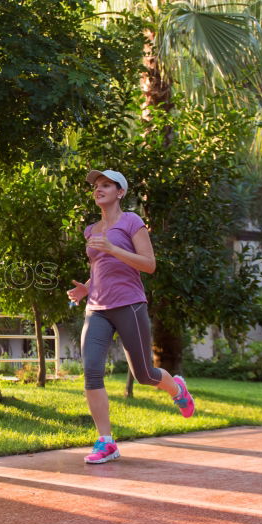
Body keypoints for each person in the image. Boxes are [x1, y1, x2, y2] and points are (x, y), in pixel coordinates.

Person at [66, 169, 195, 464]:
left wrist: (112, 248)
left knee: (144, 375)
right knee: (92, 370)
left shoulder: (132, 222)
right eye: (96, 186)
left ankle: (177, 388)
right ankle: (106, 441)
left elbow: (149, 265)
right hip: (97, 308)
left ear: (120, 192)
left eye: (106, 185)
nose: (98, 189)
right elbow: (101, 269)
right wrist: (85, 289)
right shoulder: (91, 230)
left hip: (130, 305)